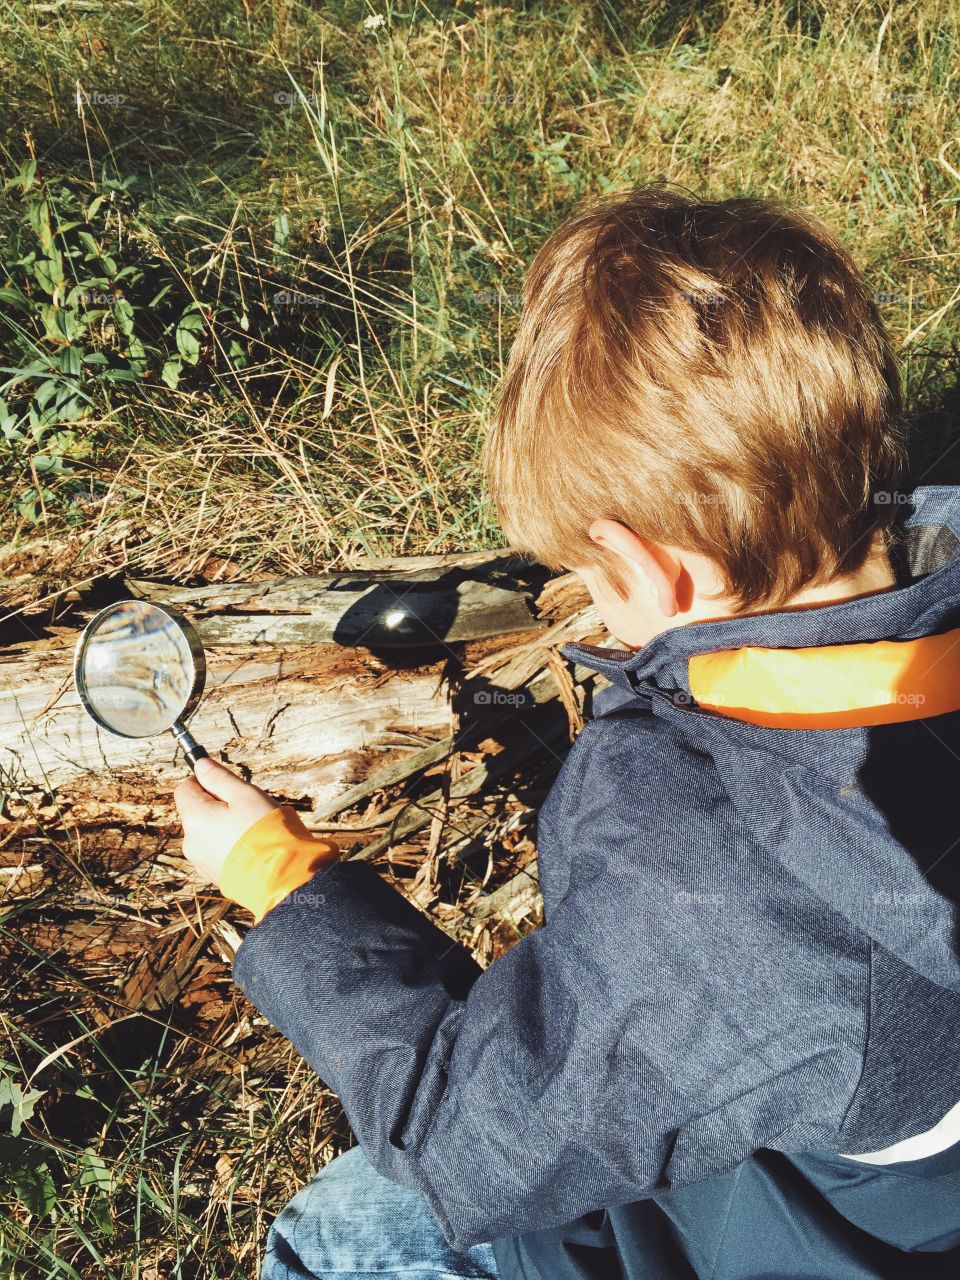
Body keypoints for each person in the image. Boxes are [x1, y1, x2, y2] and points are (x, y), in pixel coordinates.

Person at [174, 185, 960, 1280]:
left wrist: (279, 877)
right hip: (871, 1157)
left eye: (592, 576)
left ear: (652, 569)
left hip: (759, 1231)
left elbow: (462, 1133)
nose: (591, 602)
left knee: (340, 1236)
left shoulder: (716, 882)